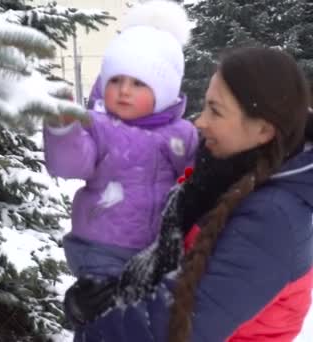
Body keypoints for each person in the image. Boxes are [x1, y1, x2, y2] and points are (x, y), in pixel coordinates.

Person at [64, 46, 313, 342]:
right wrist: (110, 295)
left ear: (263, 130)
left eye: (215, 111)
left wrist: (94, 324)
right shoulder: (220, 175)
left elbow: (172, 328)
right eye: (205, 106)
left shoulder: (274, 219)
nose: (200, 122)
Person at [43, 0, 198, 281]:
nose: (124, 91)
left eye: (139, 83)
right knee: (108, 314)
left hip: (159, 249)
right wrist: (64, 130)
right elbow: (69, 165)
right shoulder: (99, 126)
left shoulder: (183, 134)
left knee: (147, 316)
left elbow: (195, 179)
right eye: (115, 80)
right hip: (101, 248)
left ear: (164, 90)